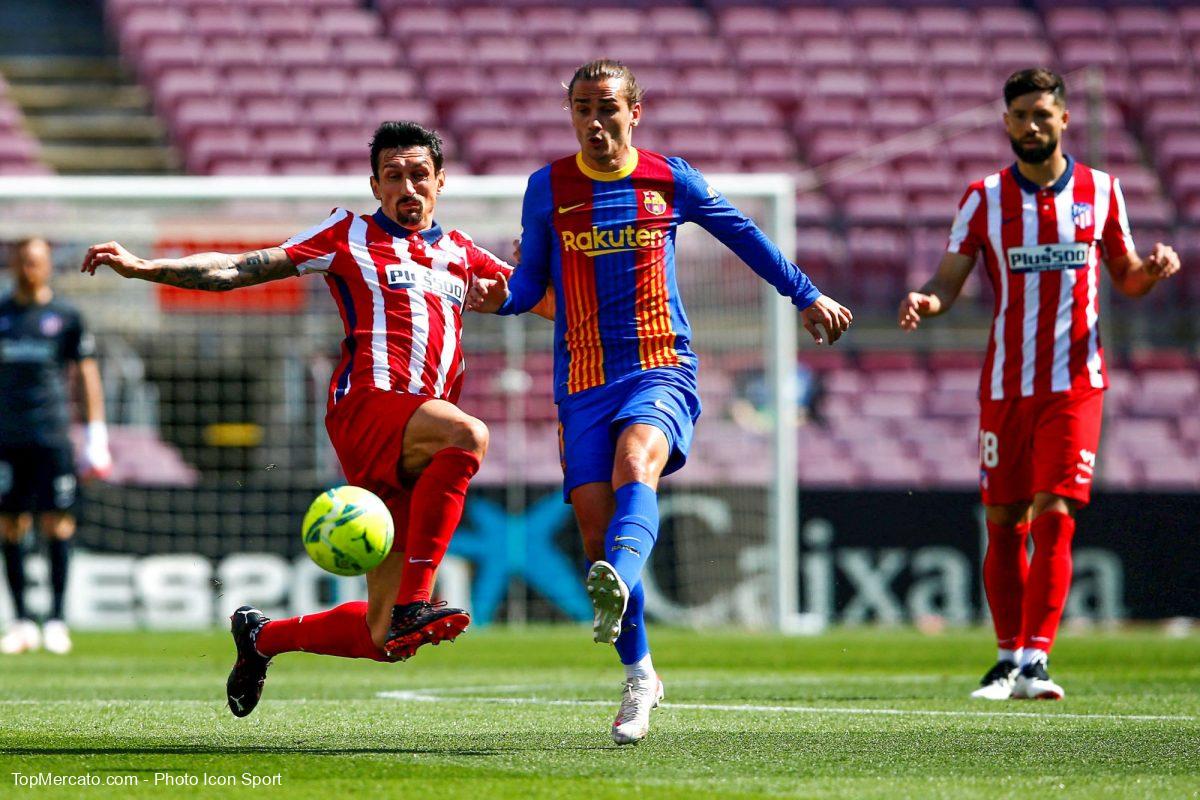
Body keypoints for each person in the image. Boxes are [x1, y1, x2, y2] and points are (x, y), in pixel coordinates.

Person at [82, 121, 550, 717]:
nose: (408, 187)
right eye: (393, 176)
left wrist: (549, 279)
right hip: (367, 410)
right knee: (468, 433)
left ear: (440, 182)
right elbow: (242, 267)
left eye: (419, 175)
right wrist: (149, 269)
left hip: (415, 440)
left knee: (386, 641)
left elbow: (549, 304)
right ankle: (416, 599)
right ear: (374, 185)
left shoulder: (462, 254)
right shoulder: (347, 234)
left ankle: (260, 638)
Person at [469, 59, 852, 744]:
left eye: (607, 106)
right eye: (582, 107)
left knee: (635, 463)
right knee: (594, 528)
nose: (594, 120)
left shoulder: (669, 178)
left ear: (634, 111)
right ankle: (641, 674)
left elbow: (746, 236)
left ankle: (619, 575)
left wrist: (806, 293)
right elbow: (528, 285)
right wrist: (498, 300)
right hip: (582, 380)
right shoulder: (547, 187)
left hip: (659, 365)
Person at [899, 68, 1181, 701]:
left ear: (1064, 120)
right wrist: (926, 299)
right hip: (1005, 384)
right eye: (1020, 115)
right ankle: (1006, 660)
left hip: (1076, 383)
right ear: (1006, 123)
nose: (1032, 125)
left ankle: (1036, 661)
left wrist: (1153, 272)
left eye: (1042, 114)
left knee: (1055, 512)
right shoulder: (982, 198)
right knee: (1004, 519)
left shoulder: (1102, 191)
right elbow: (949, 281)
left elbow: (1127, 276)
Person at [0, 237, 112, 656]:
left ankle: (58, 620)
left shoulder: (66, 316)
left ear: (47, 266)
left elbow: (86, 375)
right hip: (7, 438)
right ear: (13, 265)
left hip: (52, 436)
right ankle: (22, 622)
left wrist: (96, 435)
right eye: (22, 261)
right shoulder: (2, 313)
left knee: (58, 523)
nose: (28, 268)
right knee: (11, 526)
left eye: (36, 262)